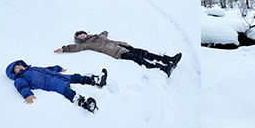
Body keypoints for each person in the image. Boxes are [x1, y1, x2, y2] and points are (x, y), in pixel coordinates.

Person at [54, 30, 182, 77]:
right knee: (139, 59)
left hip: (122, 46)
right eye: (80, 35)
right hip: (116, 52)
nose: (82, 35)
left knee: (144, 53)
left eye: (82, 33)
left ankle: (167, 59)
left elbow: (103, 34)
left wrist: (106, 32)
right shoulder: (86, 44)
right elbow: (76, 48)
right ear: (79, 38)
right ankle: (164, 69)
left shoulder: (97, 36)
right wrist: (64, 48)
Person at [5, 60, 106, 113]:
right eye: (16, 69)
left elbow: (46, 69)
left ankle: (95, 80)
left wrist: (57, 68)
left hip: (58, 77)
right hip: (51, 84)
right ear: (13, 73)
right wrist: (27, 95)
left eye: (19, 66)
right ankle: (85, 103)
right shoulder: (20, 78)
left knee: (76, 77)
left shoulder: (33, 68)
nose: (19, 68)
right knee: (68, 92)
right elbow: (22, 86)